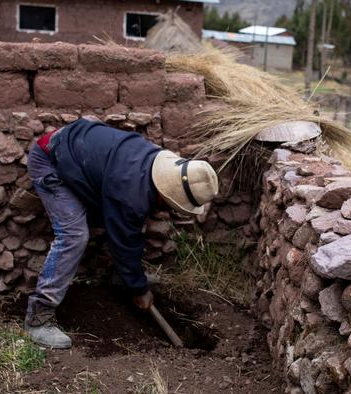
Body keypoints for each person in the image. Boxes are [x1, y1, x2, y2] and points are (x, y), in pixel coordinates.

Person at [24, 118, 219, 348]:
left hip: (77, 152)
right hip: (50, 159)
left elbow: (128, 229)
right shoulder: (130, 193)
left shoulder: (154, 163)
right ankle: (39, 316)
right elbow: (124, 239)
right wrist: (140, 289)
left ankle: (123, 278)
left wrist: (134, 280)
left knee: (123, 224)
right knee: (74, 235)